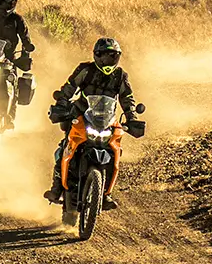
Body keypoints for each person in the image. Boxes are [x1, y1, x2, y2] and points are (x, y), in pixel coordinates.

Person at [45, 37, 145, 204]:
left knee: (116, 150)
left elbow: (127, 98)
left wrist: (132, 116)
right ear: (97, 55)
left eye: (114, 56)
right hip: (80, 115)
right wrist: (62, 102)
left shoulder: (120, 75)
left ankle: (105, 193)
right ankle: (56, 188)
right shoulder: (86, 70)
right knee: (65, 145)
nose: (110, 60)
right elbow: (70, 87)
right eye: (106, 56)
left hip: (107, 119)